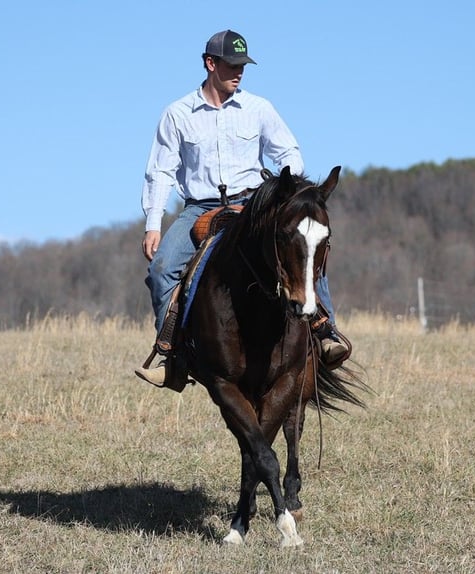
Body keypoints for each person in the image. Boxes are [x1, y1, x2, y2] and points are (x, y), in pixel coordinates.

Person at [135, 29, 349, 386]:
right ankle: (173, 356)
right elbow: (160, 171)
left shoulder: (259, 108)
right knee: (161, 269)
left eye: (243, 66)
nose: (239, 72)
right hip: (198, 208)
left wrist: (291, 196)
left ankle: (325, 332)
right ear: (210, 64)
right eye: (231, 65)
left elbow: (288, 152)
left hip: (252, 204)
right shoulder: (177, 114)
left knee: (303, 245)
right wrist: (153, 223)